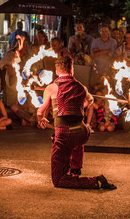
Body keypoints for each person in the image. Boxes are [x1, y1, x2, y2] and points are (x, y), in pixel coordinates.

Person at [37, 55, 116, 190]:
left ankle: (96, 181)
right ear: (72, 70)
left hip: (64, 133)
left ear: (57, 71)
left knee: (59, 180)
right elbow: (89, 101)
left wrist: (41, 118)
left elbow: (40, 111)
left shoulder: (51, 87)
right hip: (82, 132)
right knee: (75, 138)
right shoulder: (81, 87)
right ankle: (75, 169)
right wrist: (78, 104)